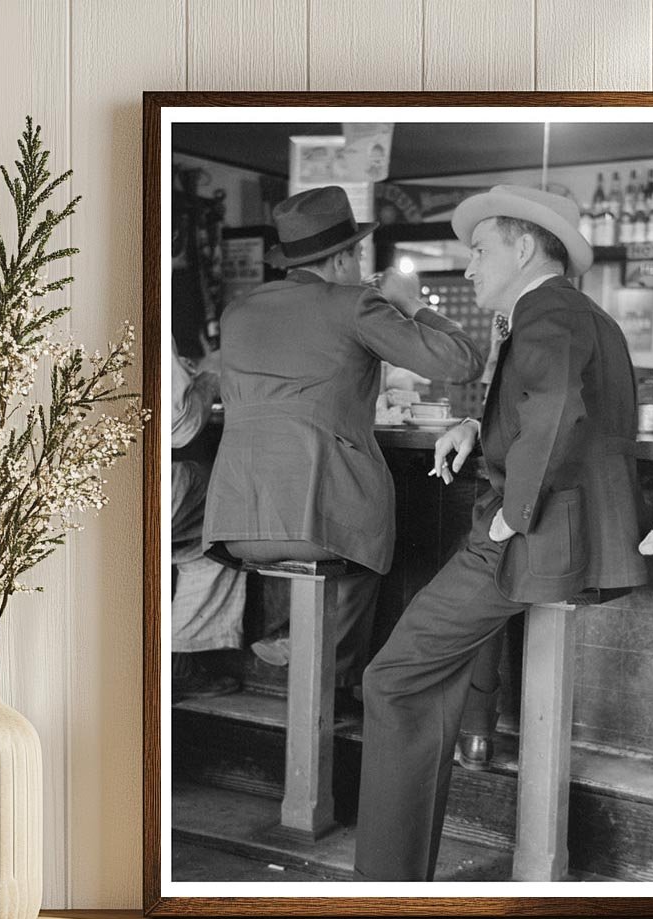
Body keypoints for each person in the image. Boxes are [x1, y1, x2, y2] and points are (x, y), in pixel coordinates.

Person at [353, 185, 648, 881]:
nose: (471, 267)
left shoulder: (545, 313)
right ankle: (400, 875)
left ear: (522, 246)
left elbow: (554, 414)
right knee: (425, 676)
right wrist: (479, 428)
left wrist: (512, 513)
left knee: (393, 679)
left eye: (481, 250)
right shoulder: (574, 313)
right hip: (554, 536)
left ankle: (387, 884)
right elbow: (549, 409)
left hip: (526, 538)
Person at [203, 185, 484, 703]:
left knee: (337, 552)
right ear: (342, 259)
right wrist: (412, 306)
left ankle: (301, 642)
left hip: (236, 518)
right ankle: (329, 678)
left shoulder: (239, 312)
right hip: (322, 521)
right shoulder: (356, 304)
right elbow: (464, 361)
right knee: (364, 552)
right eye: (356, 254)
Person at [171, 339, 248, 701]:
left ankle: (174, 665)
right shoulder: (149, 315)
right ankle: (179, 662)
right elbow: (181, 427)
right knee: (225, 523)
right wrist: (208, 376)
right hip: (151, 483)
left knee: (200, 541)